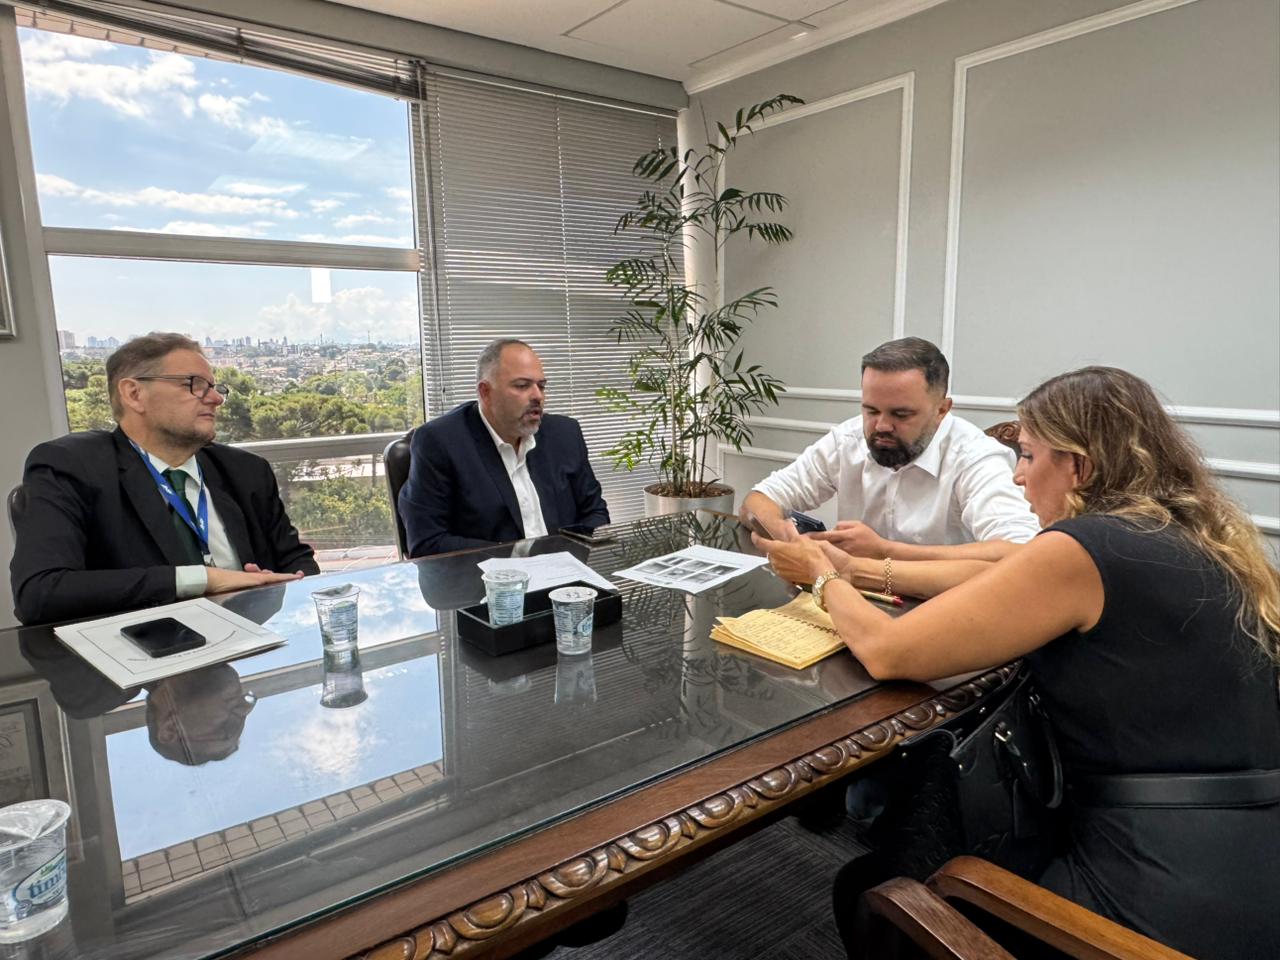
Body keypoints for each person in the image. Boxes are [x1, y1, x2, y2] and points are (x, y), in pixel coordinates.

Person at [755, 366, 1280, 960]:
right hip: (1242, 858)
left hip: (1149, 890)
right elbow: (1005, 569)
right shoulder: (1184, 534)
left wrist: (822, 577)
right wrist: (867, 568)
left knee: (869, 890)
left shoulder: (1087, 548)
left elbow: (886, 651)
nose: (1018, 474)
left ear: (1078, 464)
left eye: (1028, 455)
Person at [10, 333, 316, 626]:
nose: (215, 399)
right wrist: (203, 579)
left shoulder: (246, 470)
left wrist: (279, 589)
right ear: (134, 394)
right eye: (194, 385)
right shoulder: (72, 467)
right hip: (142, 651)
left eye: (214, 387)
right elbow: (40, 593)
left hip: (252, 641)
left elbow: (297, 561)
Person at [740, 338, 1039, 569]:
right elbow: (758, 500)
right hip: (854, 593)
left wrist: (885, 551)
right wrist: (787, 537)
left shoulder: (975, 456)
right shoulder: (848, 439)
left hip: (943, 603)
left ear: (942, 410)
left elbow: (1019, 551)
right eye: (871, 410)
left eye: (901, 414)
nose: (881, 426)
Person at [399, 338, 609, 557]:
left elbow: (595, 513)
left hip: (566, 572)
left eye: (541, 386)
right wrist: (517, 561)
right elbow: (427, 543)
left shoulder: (564, 433)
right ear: (485, 392)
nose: (538, 396)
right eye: (522, 386)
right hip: (488, 576)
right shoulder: (440, 442)